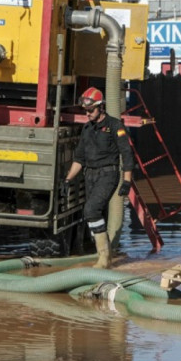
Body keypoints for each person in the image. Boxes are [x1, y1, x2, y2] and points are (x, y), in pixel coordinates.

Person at [62, 87, 135, 269]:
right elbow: (79, 158)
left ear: (100, 107)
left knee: (91, 210)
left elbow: (127, 154)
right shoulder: (87, 129)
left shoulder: (115, 126)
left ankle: (104, 258)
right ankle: (104, 254)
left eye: (90, 110)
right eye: (85, 111)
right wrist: (68, 179)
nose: (87, 114)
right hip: (90, 175)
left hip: (108, 174)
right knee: (96, 215)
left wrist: (127, 181)